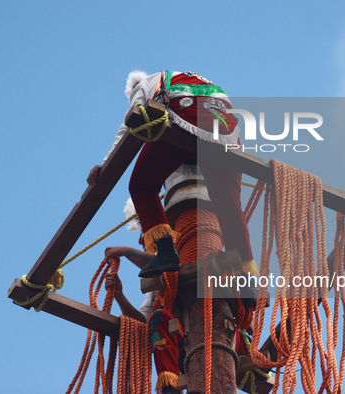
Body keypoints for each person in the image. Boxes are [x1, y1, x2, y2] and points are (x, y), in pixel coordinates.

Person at [88, 70, 258, 279]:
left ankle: (166, 252)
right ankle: (247, 274)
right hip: (228, 134)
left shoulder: (144, 85)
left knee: (142, 186)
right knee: (229, 206)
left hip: (185, 126)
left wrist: (106, 165)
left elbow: (130, 124)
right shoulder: (192, 78)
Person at [104, 246, 183, 394]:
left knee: (161, 317)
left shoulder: (190, 253)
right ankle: (169, 385)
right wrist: (119, 295)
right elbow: (143, 321)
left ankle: (169, 386)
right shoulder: (156, 291)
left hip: (217, 331)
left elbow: (167, 263)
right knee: (158, 317)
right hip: (183, 347)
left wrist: (124, 250)